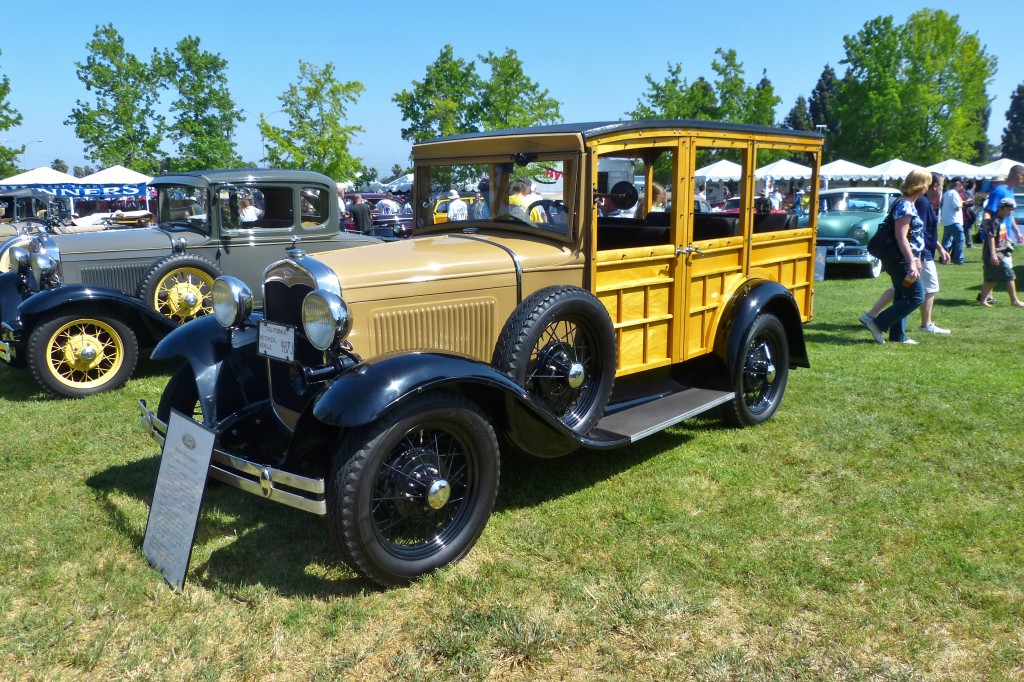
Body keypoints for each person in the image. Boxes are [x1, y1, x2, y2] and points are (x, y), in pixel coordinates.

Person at [859, 168, 929, 344]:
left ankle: (898, 336)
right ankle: (878, 323)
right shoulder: (905, 205)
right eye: (927, 183)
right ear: (921, 185)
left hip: (903, 258)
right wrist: (912, 262)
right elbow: (901, 236)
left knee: (901, 293)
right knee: (916, 296)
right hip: (901, 260)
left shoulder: (904, 202)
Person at [978, 197, 1024, 308]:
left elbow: (1000, 236)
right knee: (1010, 275)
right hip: (995, 255)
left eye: (1012, 209)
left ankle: (983, 301)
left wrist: (1007, 240)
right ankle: (1014, 301)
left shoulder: (1002, 220)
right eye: (1009, 209)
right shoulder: (995, 221)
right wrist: (993, 254)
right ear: (1001, 208)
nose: (1011, 212)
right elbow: (990, 238)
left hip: (999, 253)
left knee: (991, 279)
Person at [982, 164, 1024, 244]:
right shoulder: (999, 191)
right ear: (1018, 175)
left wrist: (1017, 232)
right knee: (994, 257)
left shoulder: (1010, 191)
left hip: (1004, 236)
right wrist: (989, 231)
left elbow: (1010, 215)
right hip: (995, 237)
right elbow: (988, 212)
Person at [940, 178, 965, 264]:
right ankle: (958, 259)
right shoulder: (954, 193)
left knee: (946, 241)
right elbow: (957, 207)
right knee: (961, 239)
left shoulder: (946, 193)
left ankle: (943, 258)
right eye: (961, 185)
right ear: (957, 184)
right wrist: (962, 202)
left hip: (947, 220)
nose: (962, 187)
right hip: (954, 221)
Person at [962, 179, 976, 248]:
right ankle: (968, 243)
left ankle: (967, 242)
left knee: (967, 227)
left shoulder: (967, 192)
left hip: (967, 212)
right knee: (967, 227)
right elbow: (967, 202)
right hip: (968, 212)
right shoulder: (969, 192)